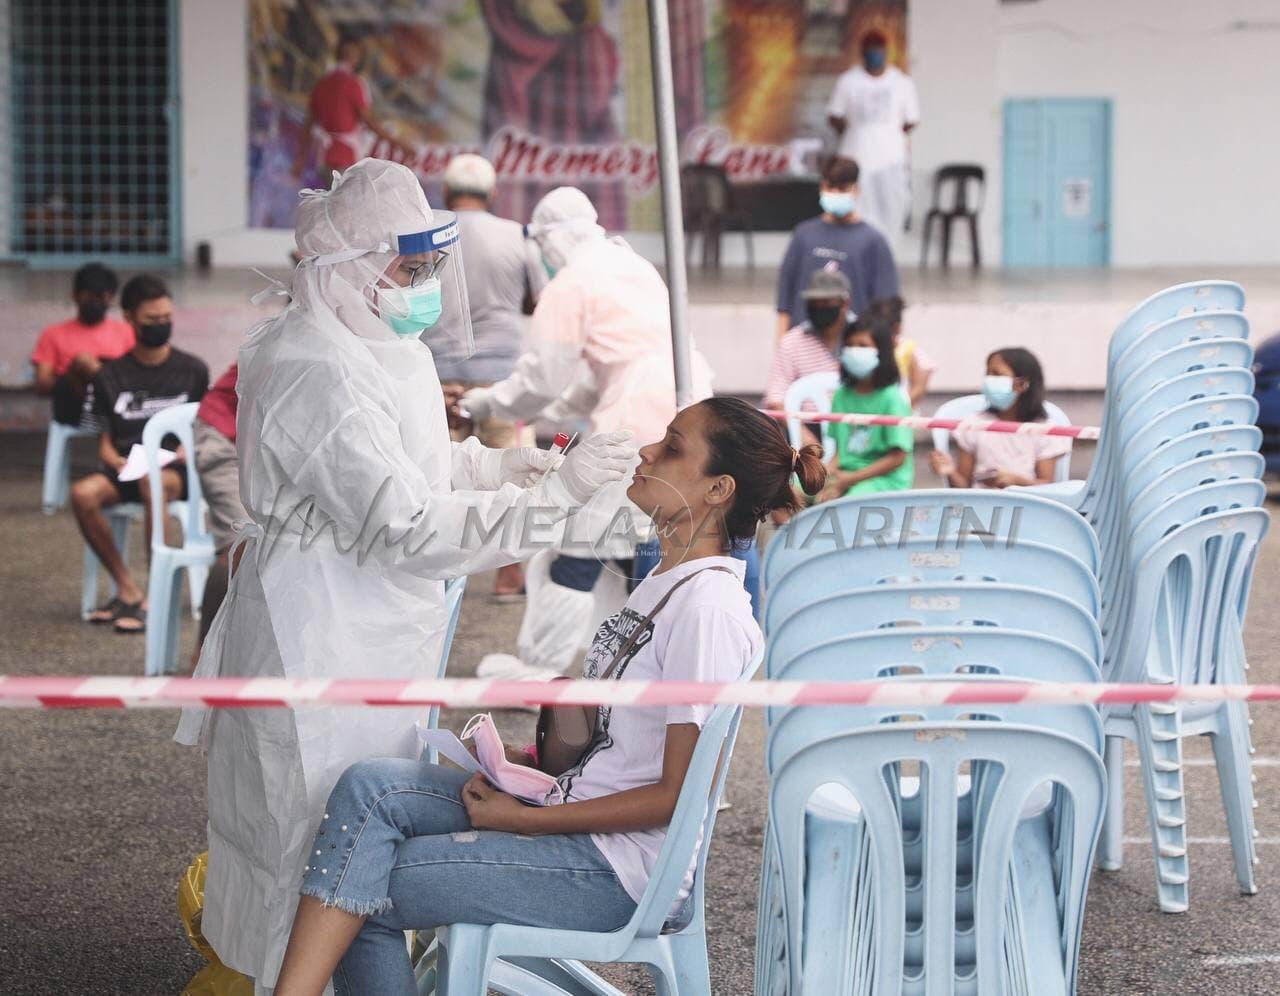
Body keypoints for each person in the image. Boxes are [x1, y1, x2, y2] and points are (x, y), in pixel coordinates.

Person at [172, 159, 636, 990]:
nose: (421, 286)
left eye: (428, 269)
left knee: (355, 827)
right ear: (349, 264)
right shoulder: (314, 360)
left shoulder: (382, 342)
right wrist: (551, 501)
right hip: (318, 624)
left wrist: (507, 468)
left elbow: (420, 464)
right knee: (303, 826)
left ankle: (343, 970)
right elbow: (405, 520)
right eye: (407, 268)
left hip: (375, 625)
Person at [270, 398, 828, 995]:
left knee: (364, 888)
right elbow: (618, 747)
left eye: (670, 446)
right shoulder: (665, 584)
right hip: (572, 816)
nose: (646, 453)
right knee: (370, 787)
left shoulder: (707, 610)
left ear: (718, 488)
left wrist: (529, 822)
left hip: (615, 870)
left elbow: (677, 795)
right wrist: (526, 767)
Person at [460, 185, 716, 682]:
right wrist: (550, 408)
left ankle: (540, 675)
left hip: (634, 426)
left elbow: (543, 378)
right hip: (691, 412)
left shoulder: (572, 283)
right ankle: (639, 668)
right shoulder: (634, 267)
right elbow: (594, 376)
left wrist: (489, 403)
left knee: (576, 549)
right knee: (640, 541)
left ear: (550, 238)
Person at [435, 153, 545, 601]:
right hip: (502, 379)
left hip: (437, 378)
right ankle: (508, 577)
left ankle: (437, 572)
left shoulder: (429, 233)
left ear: (445, 193)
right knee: (515, 479)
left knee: (438, 478)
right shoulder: (517, 237)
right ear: (493, 193)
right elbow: (538, 299)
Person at [72, 275, 210, 633]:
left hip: (173, 473)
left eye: (166, 319)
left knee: (154, 483)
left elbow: (204, 427)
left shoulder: (193, 370)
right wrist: (110, 458)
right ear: (129, 318)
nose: (161, 326)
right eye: (152, 321)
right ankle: (126, 587)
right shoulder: (110, 376)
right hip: (125, 468)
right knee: (82, 494)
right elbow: (103, 438)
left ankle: (156, 592)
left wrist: (185, 448)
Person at [775, 156, 898, 339]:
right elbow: (785, 301)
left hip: (852, 345)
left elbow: (887, 308)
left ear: (856, 190)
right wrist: (781, 346)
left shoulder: (874, 241)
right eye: (830, 187)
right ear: (822, 188)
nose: (835, 193)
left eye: (842, 189)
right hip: (805, 344)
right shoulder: (803, 236)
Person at [826, 29, 920, 252]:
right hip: (856, 156)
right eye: (871, 51)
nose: (875, 55)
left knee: (893, 205)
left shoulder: (901, 82)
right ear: (863, 53)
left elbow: (912, 120)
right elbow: (834, 115)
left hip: (891, 159)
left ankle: (887, 253)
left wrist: (888, 135)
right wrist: (857, 133)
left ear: (885, 52)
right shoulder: (849, 81)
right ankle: (855, 252)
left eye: (879, 51)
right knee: (857, 206)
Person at [929, 347, 1071, 489]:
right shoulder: (974, 424)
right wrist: (950, 471)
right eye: (988, 374)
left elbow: (1047, 486)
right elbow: (963, 487)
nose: (989, 380)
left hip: (1027, 507)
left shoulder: (1043, 429)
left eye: (997, 374)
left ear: (1021, 384)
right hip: (981, 507)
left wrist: (1016, 481)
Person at [819, 311, 914, 500]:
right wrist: (823, 476)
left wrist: (851, 479)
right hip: (846, 473)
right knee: (790, 493)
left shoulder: (892, 398)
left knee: (846, 505)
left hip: (884, 479)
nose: (855, 351)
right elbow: (840, 451)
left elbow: (898, 457)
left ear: (882, 352)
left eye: (863, 345)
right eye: (849, 345)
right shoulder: (842, 395)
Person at [291, 36, 412, 180]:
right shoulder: (354, 84)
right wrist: (399, 144)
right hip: (345, 157)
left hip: (325, 157)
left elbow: (308, 125)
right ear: (356, 58)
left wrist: (300, 159)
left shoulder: (321, 84)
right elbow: (370, 123)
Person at [190, 363, 246, 666]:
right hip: (227, 436)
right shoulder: (307, 329)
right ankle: (202, 658)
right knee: (242, 543)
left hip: (273, 442)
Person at [30, 262, 135, 426]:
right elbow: (42, 385)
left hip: (120, 405)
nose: (95, 302)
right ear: (75, 296)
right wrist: (77, 373)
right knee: (83, 362)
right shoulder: (53, 334)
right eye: (89, 297)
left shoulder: (127, 332)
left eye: (100, 297)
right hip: (74, 407)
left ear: (111, 298)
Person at [869, 296, 935, 408]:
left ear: (897, 328)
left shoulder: (907, 348)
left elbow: (919, 384)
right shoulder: (868, 347)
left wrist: (902, 406)